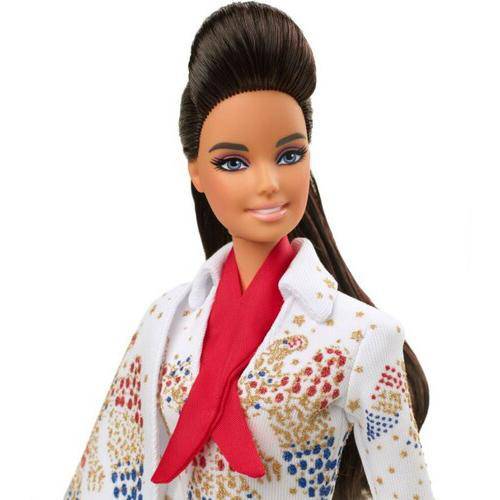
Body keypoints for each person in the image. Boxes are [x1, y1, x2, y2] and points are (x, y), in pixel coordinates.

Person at [64, 2, 434, 499]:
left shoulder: (362, 336)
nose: (268, 183)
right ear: (196, 171)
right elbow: (112, 470)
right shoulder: (168, 322)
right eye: (233, 162)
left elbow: (405, 490)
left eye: (289, 155)